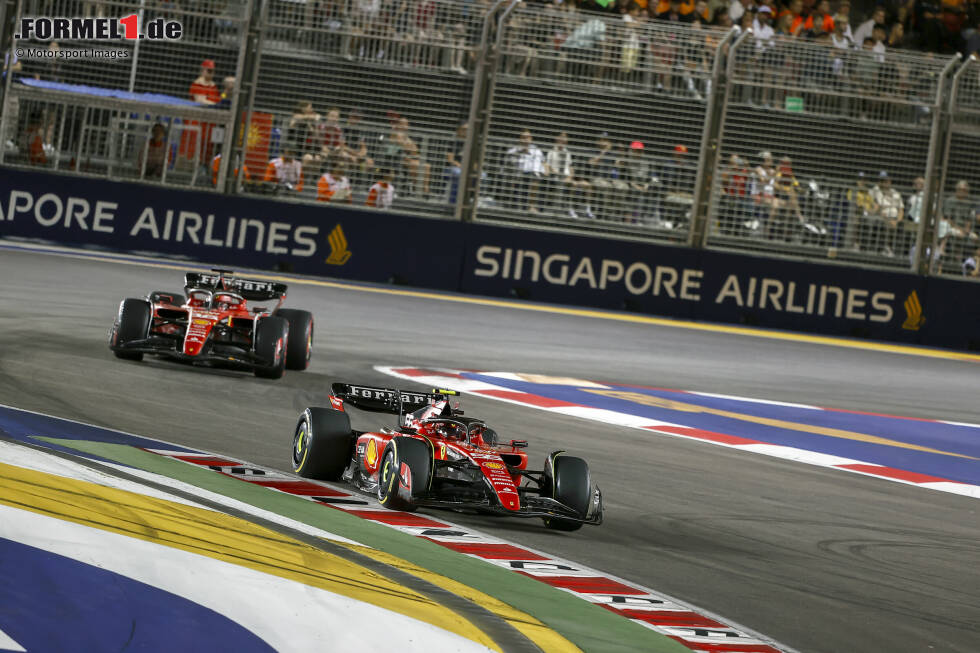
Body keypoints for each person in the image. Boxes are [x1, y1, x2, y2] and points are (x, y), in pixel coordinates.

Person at [545, 131, 587, 218]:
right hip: (555, 176)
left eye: (565, 137)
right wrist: (557, 174)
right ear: (557, 139)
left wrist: (570, 177)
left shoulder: (567, 152)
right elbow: (548, 165)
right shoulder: (551, 151)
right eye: (561, 137)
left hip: (566, 177)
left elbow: (570, 167)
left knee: (575, 184)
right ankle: (562, 208)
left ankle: (570, 207)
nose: (563, 139)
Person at [505, 129, 546, 214]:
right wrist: (520, 152)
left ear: (531, 139)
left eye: (527, 137)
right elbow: (509, 163)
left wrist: (545, 170)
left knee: (536, 179)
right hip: (518, 175)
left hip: (534, 175)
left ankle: (532, 207)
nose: (525, 139)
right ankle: (528, 206)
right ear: (519, 139)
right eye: (523, 137)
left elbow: (543, 162)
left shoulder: (537, 151)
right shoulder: (513, 150)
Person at [870, 171, 903, 256]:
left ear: (890, 181)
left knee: (895, 224)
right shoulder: (875, 191)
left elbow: (901, 209)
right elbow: (875, 207)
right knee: (886, 222)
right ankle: (887, 247)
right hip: (880, 216)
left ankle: (889, 248)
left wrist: (898, 220)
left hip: (894, 217)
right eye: (882, 181)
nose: (884, 183)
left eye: (886, 181)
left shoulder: (896, 193)